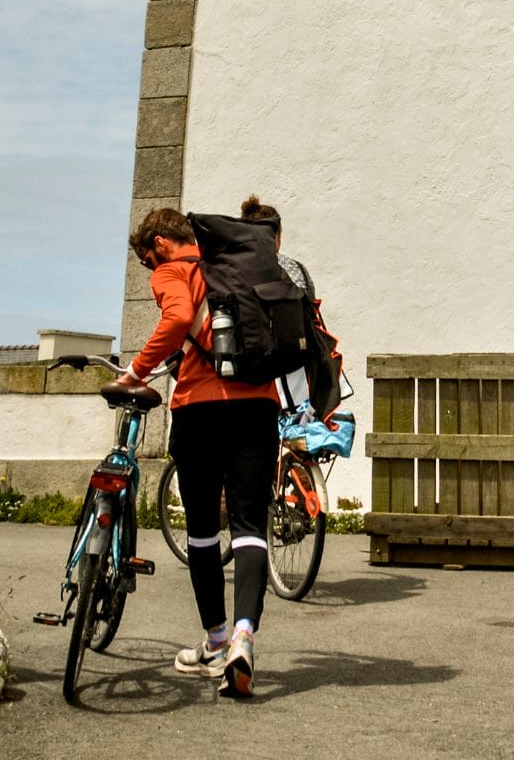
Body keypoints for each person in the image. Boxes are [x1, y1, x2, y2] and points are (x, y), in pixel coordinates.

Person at [110, 207, 277, 699]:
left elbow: (179, 316)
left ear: (159, 243)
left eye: (145, 260)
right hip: (258, 406)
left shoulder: (173, 269)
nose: (148, 272)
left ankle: (215, 641)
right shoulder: (232, 263)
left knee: (203, 532)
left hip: (201, 409)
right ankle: (245, 638)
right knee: (250, 527)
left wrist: (136, 372)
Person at [237, 196, 347, 455]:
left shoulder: (240, 269)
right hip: (304, 364)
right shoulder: (297, 267)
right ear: (277, 236)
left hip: (263, 368)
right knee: (297, 426)